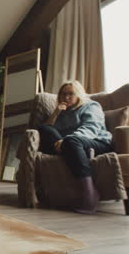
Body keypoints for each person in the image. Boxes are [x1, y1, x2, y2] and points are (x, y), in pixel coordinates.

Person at [37, 80, 113, 214]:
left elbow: (90, 128)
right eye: (63, 94)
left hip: (97, 142)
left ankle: (90, 193)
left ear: (78, 95)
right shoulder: (62, 112)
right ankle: (72, 153)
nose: (66, 97)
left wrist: (66, 140)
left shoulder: (91, 105)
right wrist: (56, 113)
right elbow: (49, 130)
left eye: (71, 94)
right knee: (44, 128)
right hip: (70, 145)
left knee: (71, 142)